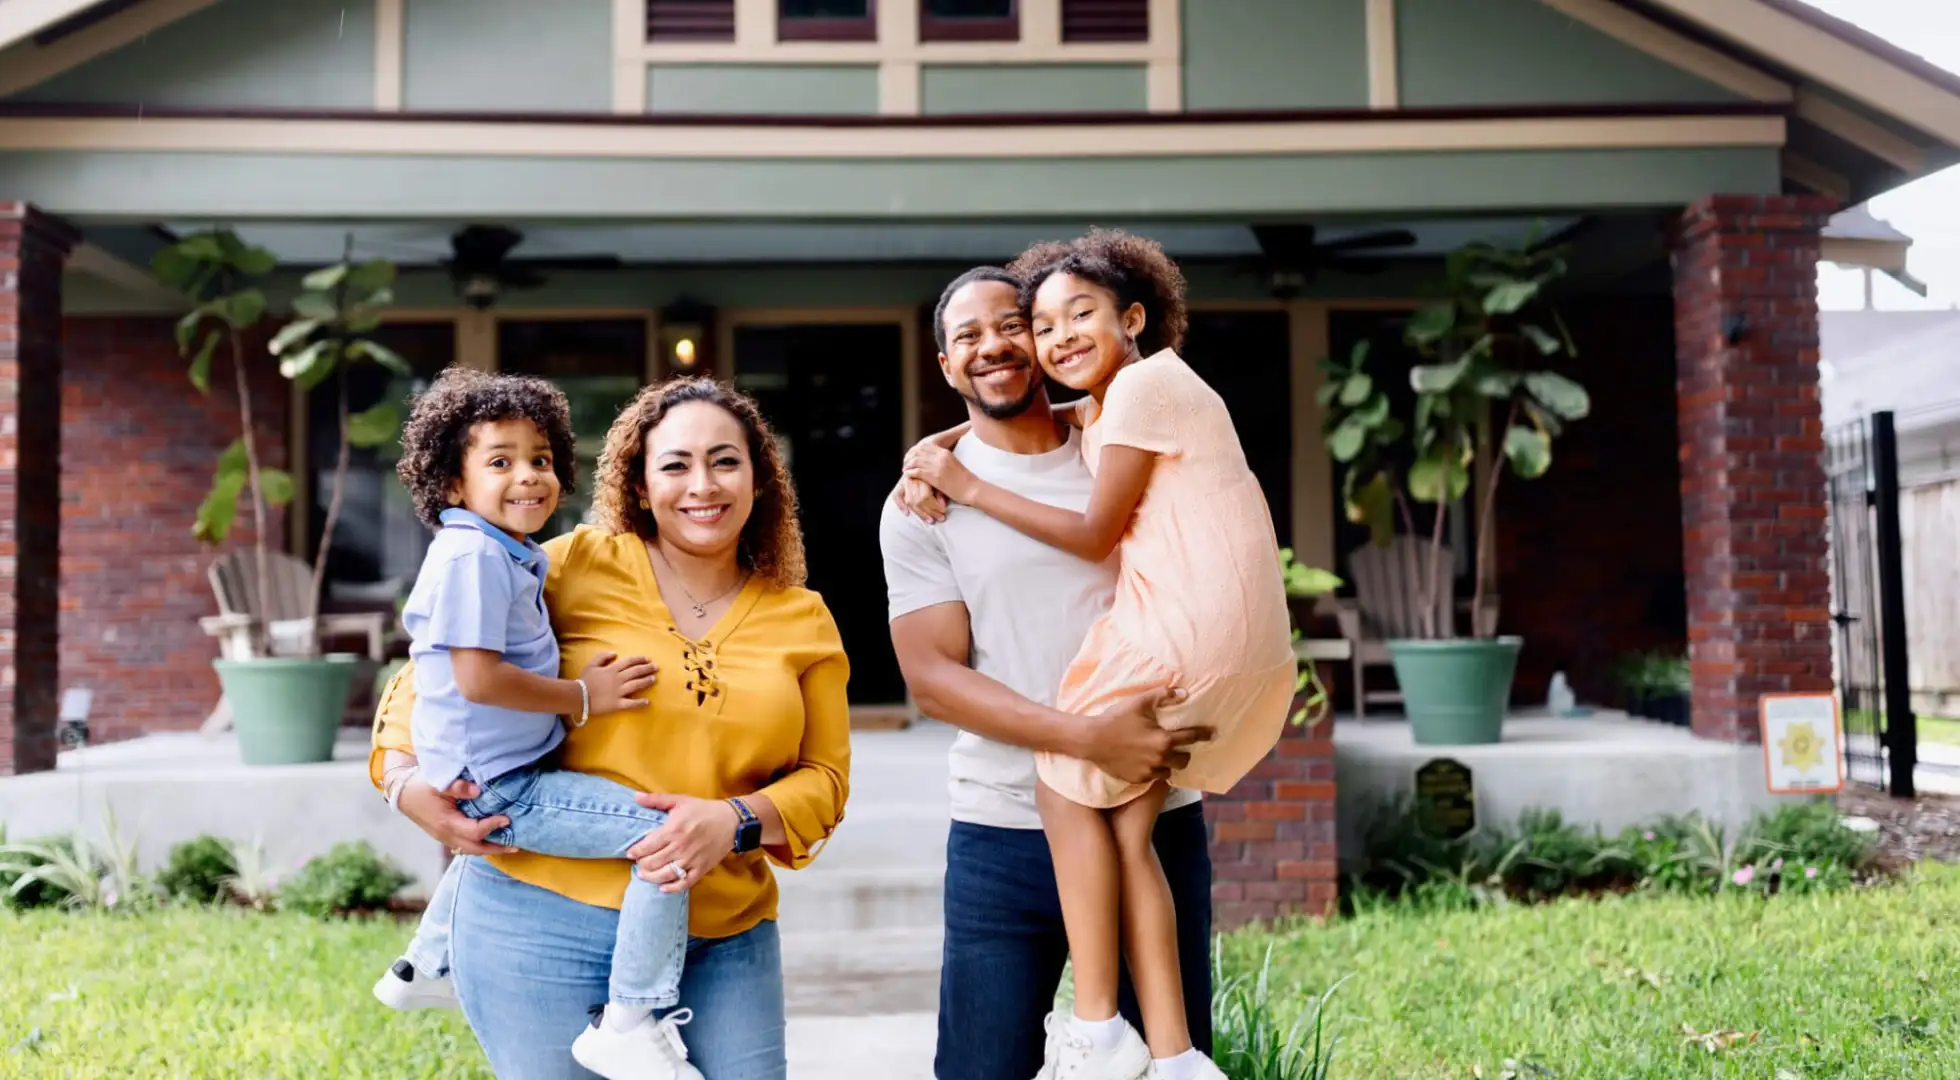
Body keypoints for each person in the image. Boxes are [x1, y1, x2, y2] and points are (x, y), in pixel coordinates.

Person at [371, 376, 851, 1080]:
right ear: (639, 480)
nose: (702, 485)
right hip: (540, 920)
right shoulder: (572, 563)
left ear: (760, 476)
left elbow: (826, 782)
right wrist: (403, 779)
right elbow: (431, 678)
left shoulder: (801, 618)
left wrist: (734, 820)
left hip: (724, 932)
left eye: (725, 461)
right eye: (676, 465)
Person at [900, 234, 1294, 1080]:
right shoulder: (922, 503)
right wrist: (1083, 738)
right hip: (1000, 833)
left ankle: (1141, 1045)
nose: (998, 345)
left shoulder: (1112, 434)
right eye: (969, 337)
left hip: (1153, 791)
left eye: (1017, 325)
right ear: (944, 364)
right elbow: (932, 678)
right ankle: (1127, 1040)